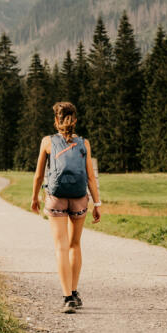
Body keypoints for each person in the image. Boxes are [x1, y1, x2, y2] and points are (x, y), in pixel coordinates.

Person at [31, 101, 101, 314]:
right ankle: (74, 290)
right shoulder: (84, 143)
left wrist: (34, 197)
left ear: (56, 121)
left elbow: (39, 175)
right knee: (75, 245)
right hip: (80, 198)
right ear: (75, 120)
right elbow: (90, 176)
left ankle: (67, 297)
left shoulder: (47, 142)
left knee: (60, 246)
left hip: (56, 198)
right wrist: (97, 204)